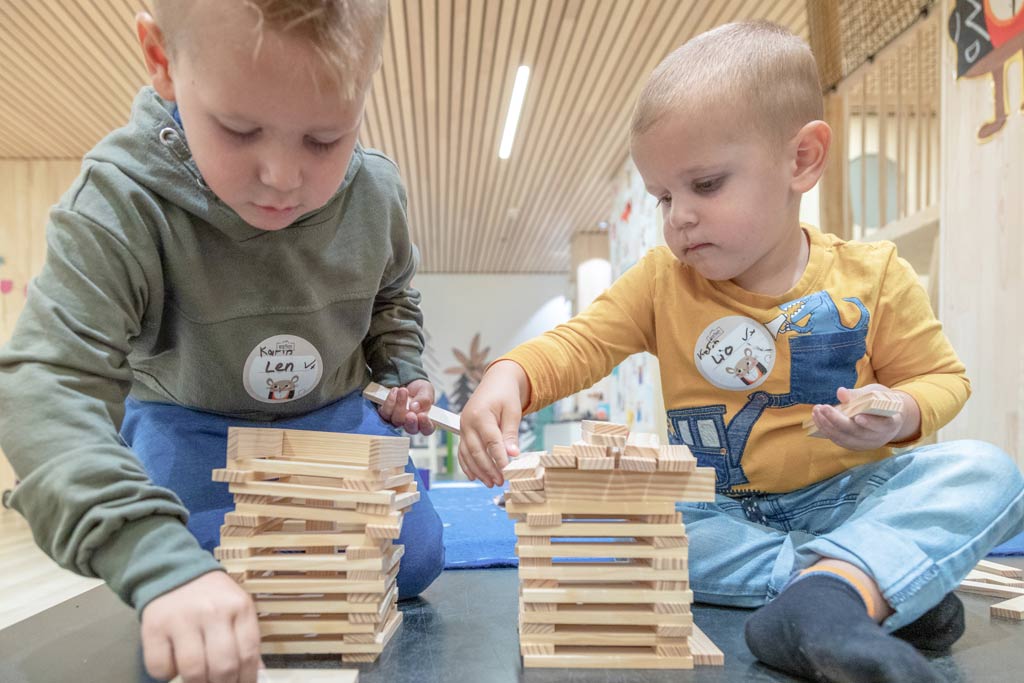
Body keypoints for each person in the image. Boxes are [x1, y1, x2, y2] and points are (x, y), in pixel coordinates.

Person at [458, 20, 1024, 683]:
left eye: (705, 185)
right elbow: (578, 344)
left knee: (988, 470)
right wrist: (509, 375)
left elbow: (941, 378)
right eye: (664, 196)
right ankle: (854, 584)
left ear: (802, 160)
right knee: (642, 533)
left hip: (849, 496)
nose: (678, 217)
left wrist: (900, 409)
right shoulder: (660, 283)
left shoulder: (873, 275)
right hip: (718, 511)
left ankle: (847, 584)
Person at [0, 2, 445, 681]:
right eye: (239, 129)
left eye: (325, 140)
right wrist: (155, 555)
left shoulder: (378, 190)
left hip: (331, 415)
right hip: (191, 418)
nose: (283, 177)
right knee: (198, 567)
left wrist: (401, 367)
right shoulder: (119, 198)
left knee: (413, 559)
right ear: (162, 63)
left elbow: (392, 297)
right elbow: (44, 387)